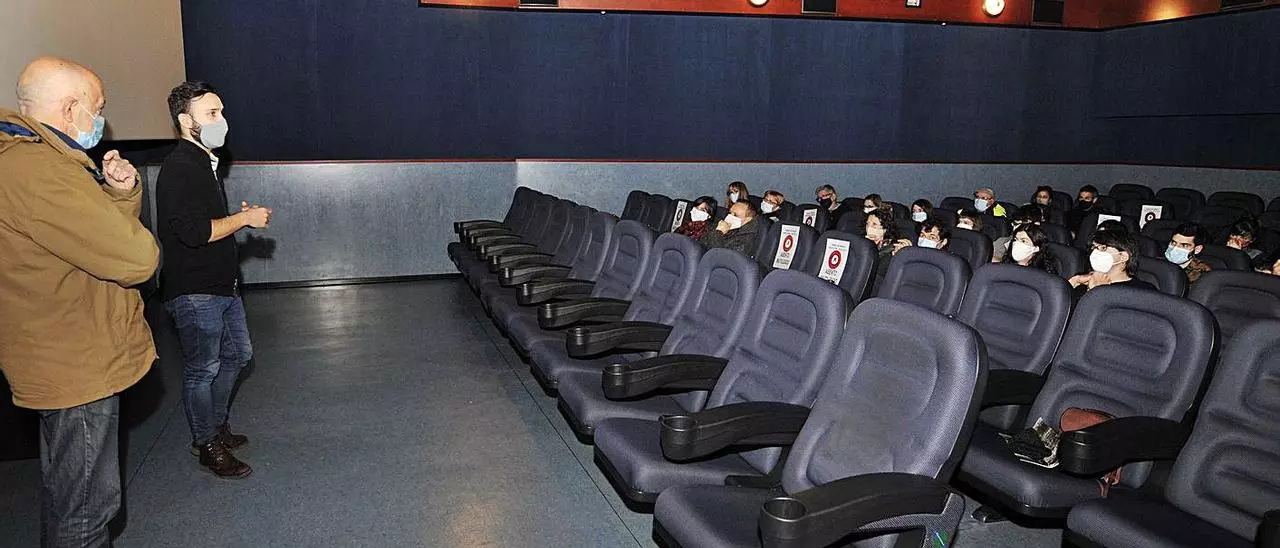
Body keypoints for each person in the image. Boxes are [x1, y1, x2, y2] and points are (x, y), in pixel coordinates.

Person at [0, 57, 160, 547]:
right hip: (77, 363)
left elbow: (81, 244)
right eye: (98, 107)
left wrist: (120, 195)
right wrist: (126, 217)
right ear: (71, 109)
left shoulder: (26, 161)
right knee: (87, 513)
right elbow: (136, 258)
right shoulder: (43, 173)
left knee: (65, 497)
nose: (102, 120)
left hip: (58, 356)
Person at [157, 81, 271, 479]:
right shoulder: (180, 168)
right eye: (211, 114)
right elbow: (194, 233)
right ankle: (206, 443)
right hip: (195, 291)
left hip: (222, 285)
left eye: (221, 112)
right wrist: (243, 219)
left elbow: (207, 222)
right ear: (185, 121)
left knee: (238, 356)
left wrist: (236, 219)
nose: (222, 121)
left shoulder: (205, 164)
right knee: (203, 369)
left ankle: (215, 426)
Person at [1070, 230, 1154, 297]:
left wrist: (1097, 291)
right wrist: (1072, 283)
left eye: (1103, 248)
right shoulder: (1081, 283)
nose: (1095, 253)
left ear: (1123, 257)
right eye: (1094, 248)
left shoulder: (1143, 291)